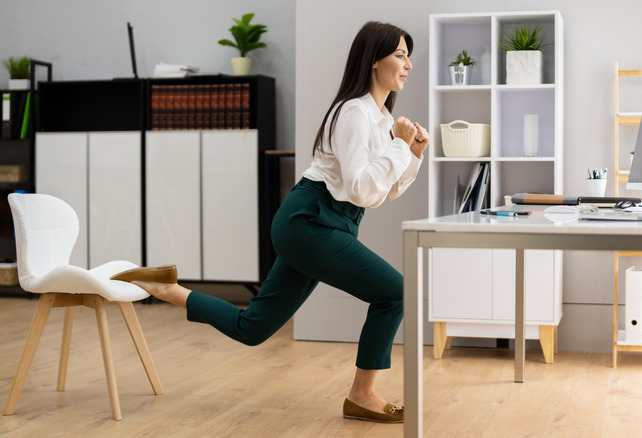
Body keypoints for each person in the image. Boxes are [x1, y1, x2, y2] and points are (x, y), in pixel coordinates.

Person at [115, 20, 428, 424]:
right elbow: (360, 187)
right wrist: (400, 147)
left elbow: (379, 194)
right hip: (309, 220)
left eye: (408, 56)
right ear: (373, 61)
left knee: (253, 328)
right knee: (395, 293)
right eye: (401, 55)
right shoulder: (353, 113)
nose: (408, 65)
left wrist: (412, 155)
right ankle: (362, 395)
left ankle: (166, 288)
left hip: (331, 223)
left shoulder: (384, 119)